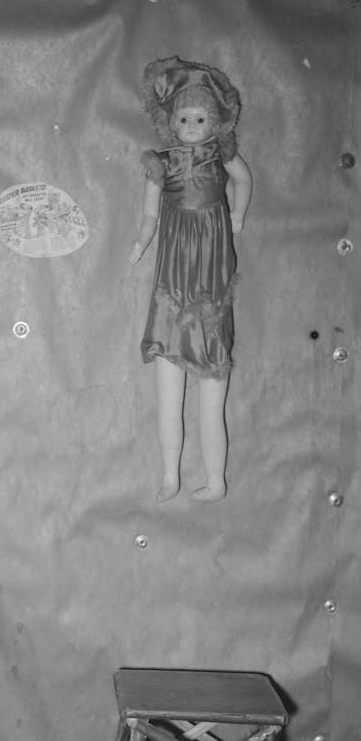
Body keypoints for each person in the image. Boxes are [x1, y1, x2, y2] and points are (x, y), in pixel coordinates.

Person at [129, 56, 252, 503]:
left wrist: (238, 211)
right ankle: (170, 475)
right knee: (168, 390)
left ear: (216, 121)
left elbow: (244, 179)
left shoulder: (222, 155)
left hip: (212, 282)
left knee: (212, 390)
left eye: (201, 118)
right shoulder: (161, 163)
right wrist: (141, 241)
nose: (192, 125)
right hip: (172, 284)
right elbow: (148, 214)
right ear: (170, 121)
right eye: (183, 117)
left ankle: (216, 480)